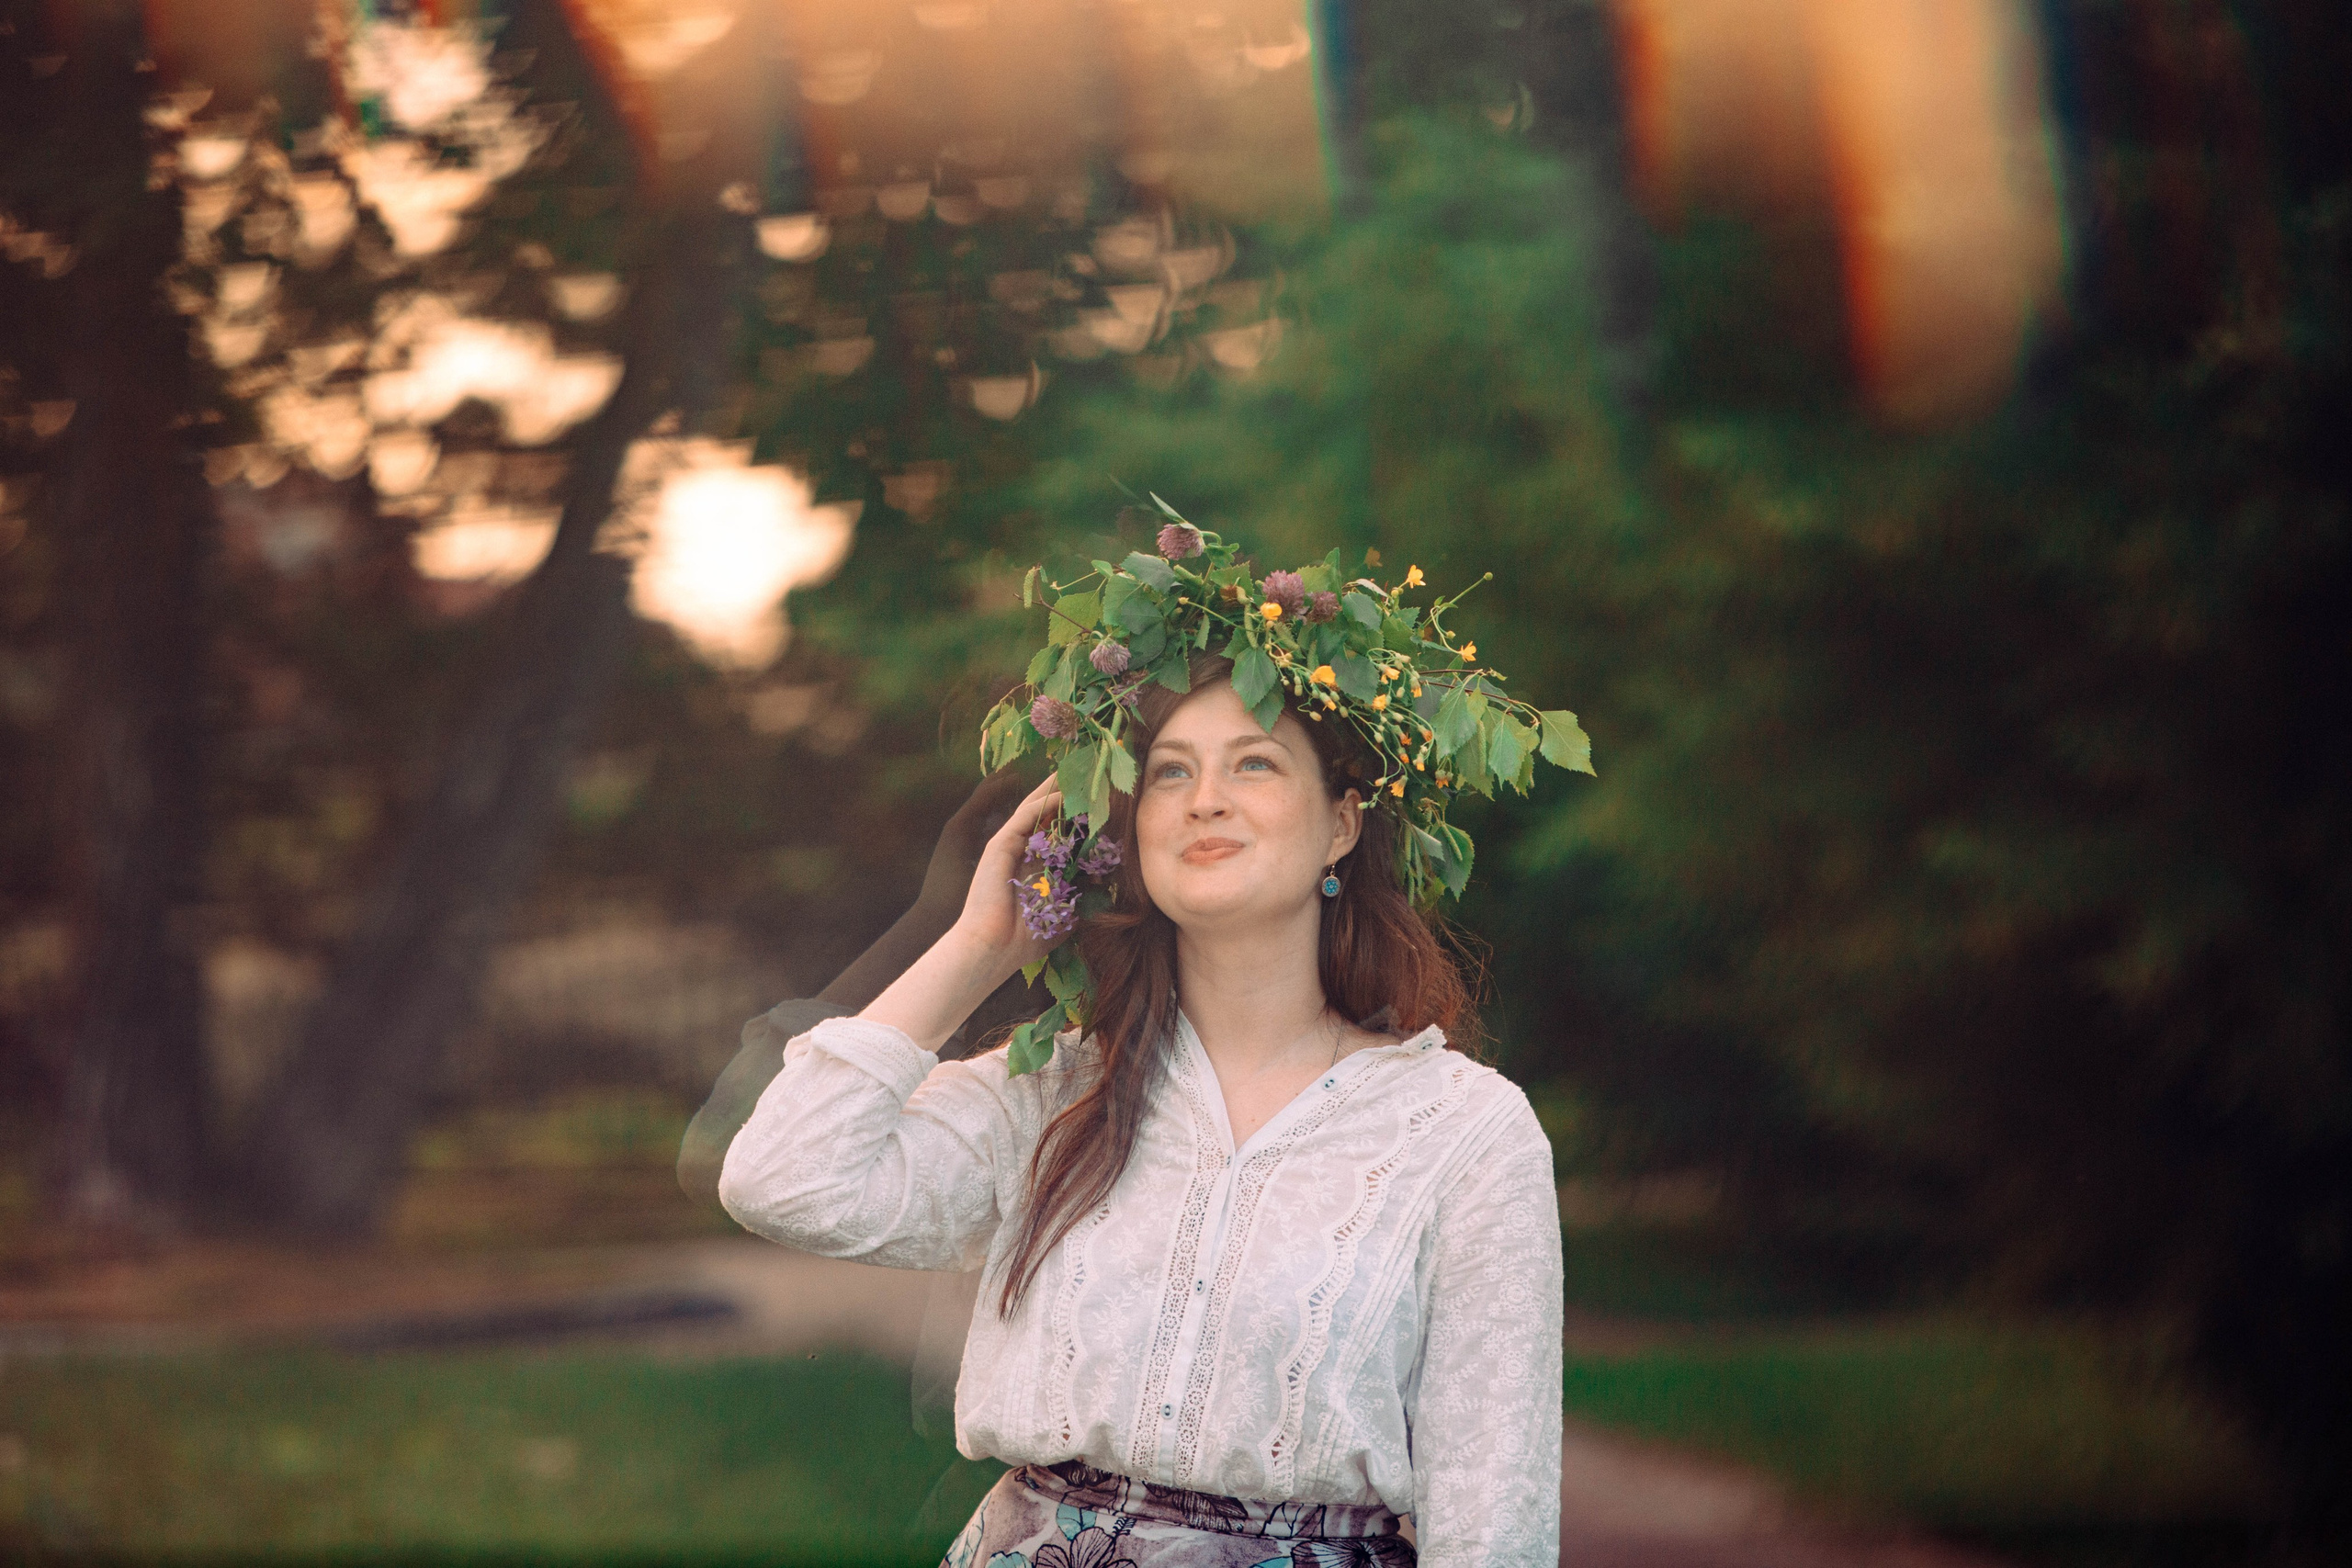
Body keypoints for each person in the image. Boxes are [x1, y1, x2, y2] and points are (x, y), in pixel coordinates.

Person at [716, 648, 1564, 1567]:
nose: (1204, 798)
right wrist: (980, 945)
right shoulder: (1052, 1093)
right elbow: (783, 1181)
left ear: (1340, 827)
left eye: (1254, 762)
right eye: (1169, 772)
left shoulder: (1463, 1130)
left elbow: (1493, 1504)